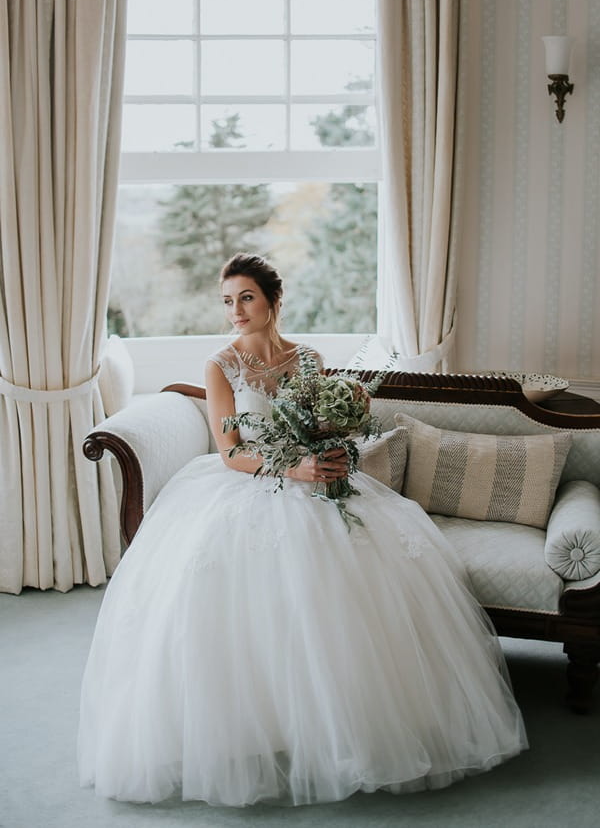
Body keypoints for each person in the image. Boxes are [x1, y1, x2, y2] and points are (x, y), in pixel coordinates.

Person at [78, 252, 527, 807]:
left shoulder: (308, 358)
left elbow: (324, 421)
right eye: (227, 300)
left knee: (361, 564)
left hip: (318, 478)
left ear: (272, 300)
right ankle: (256, 729)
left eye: (245, 297)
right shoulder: (221, 364)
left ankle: (352, 721)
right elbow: (231, 451)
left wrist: (332, 445)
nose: (235, 311)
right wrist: (293, 468)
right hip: (252, 483)